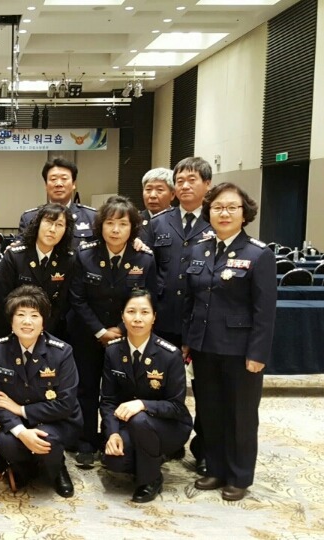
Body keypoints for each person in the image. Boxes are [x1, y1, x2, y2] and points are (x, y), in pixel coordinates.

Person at [182, 182, 276, 501]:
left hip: (240, 350)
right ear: (208, 212)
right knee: (210, 411)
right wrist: (188, 340)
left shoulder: (258, 254)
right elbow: (192, 301)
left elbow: (265, 311)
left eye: (232, 207)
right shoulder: (199, 250)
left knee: (241, 415)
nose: (224, 213)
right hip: (204, 347)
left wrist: (258, 353)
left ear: (244, 214)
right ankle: (215, 468)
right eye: (218, 207)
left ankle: (239, 476)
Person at [68, 195, 156, 467]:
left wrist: (118, 329)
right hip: (87, 334)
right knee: (86, 388)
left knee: (118, 390)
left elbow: (147, 298)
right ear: (100, 225)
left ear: (133, 228)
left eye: (123, 224)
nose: (115, 230)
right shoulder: (85, 254)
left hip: (126, 336)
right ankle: (86, 441)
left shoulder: (144, 258)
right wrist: (100, 331)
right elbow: (77, 298)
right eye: (109, 223)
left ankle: (113, 438)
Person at [142, 157, 213, 474]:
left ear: (207, 185)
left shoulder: (217, 220)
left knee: (206, 389)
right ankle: (166, 441)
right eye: (180, 180)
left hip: (203, 321)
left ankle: (205, 449)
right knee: (158, 385)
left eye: (192, 180)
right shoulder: (158, 224)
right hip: (163, 320)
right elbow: (144, 272)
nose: (185, 186)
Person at [101, 289, 193, 503]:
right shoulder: (113, 351)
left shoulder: (169, 355)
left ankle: (151, 478)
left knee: (140, 419)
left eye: (144, 312)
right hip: (130, 426)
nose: (137, 318)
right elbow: (108, 401)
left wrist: (142, 404)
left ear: (154, 317)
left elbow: (176, 406)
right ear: (122, 316)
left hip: (169, 426)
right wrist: (112, 434)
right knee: (113, 461)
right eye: (131, 311)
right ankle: (153, 456)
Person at [0, 285, 82, 498]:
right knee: (7, 442)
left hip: (57, 421)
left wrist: (21, 410)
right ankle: (25, 468)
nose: (27, 321)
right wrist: (20, 430)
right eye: (20, 315)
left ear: (43, 322)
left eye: (34, 315)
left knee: (47, 439)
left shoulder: (62, 352)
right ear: (11, 321)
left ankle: (57, 468)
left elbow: (65, 404)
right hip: (19, 422)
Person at [0, 203, 75, 339]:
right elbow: (2, 300)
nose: (52, 229)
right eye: (48, 222)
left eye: (59, 225)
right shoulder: (15, 256)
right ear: (37, 224)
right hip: (11, 330)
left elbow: (62, 304)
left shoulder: (68, 260)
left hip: (50, 332)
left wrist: (41, 331)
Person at [17, 157, 97, 248]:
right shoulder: (30, 217)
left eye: (64, 178)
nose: (58, 184)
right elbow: (21, 250)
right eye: (53, 179)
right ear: (46, 185)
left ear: (74, 184)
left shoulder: (92, 217)